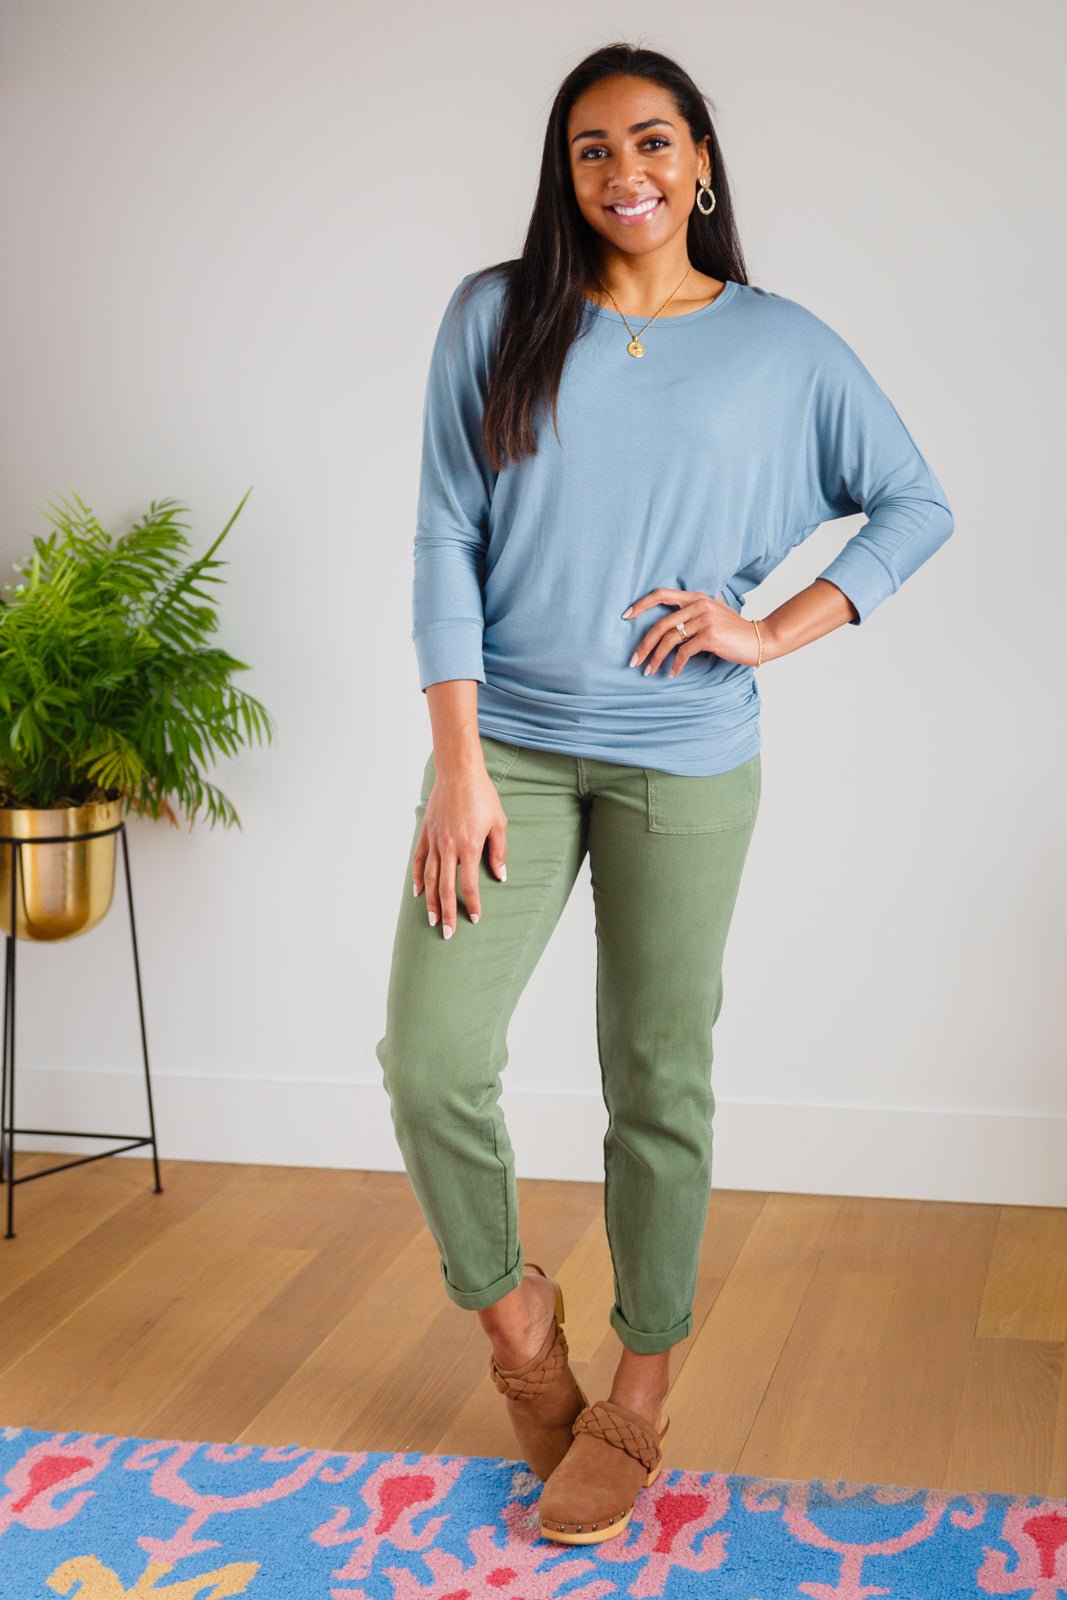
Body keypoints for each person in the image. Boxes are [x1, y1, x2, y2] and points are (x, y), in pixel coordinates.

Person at [375, 40, 954, 1546]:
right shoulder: (495, 315)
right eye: (592, 149)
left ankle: (636, 1396)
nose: (623, 171)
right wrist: (455, 766)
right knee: (430, 1060)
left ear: (698, 160)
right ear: (564, 174)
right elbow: (445, 535)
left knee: (656, 1079)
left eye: (651, 141)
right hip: (504, 748)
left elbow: (915, 502)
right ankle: (520, 1332)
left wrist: (767, 631)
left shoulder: (780, 346)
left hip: (684, 755)